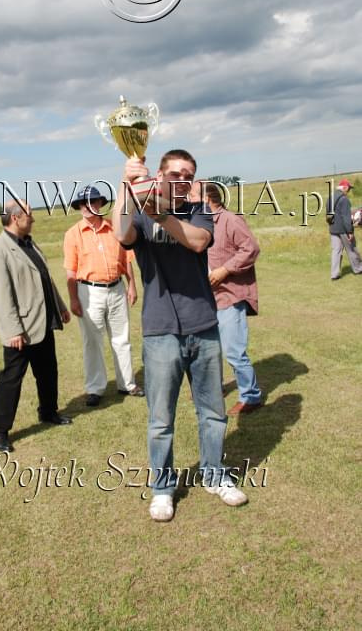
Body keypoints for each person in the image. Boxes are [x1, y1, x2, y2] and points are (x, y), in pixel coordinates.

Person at [112, 150, 247, 522]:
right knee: (160, 419)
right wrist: (127, 185)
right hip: (160, 332)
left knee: (213, 413)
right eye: (174, 172)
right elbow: (120, 232)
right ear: (159, 174)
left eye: (188, 174)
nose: (181, 179)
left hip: (203, 325)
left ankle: (215, 475)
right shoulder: (138, 211)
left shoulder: (198, 209)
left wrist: (163, 215)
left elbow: (198, 242)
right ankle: (162, 488)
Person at [0, 201, 72, 453]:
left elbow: (45, 277)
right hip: (20, 329)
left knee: (48, 371)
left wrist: (60, 306)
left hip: (43, 320)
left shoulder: (29, 242)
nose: (32, 219)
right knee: (11, 379)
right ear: (15, 218)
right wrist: (13, 330)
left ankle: (48, 412)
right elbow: (2, 295)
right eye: (29, 216)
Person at [64, 185, 144, 406]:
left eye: (92, 201)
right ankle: (95, 389)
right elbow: (70, 270)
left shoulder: (114, 229)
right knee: (92, 342)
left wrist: (132, 285)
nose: (87, 207)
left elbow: (126, 260)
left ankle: (127, 384)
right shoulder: (73, 234)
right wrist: (73, 298)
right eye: (82, 203)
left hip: (117, 288)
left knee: (122, 339)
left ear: (100, 204)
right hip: (89, 292)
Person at [201, 182, 263, 415]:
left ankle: (251, 396)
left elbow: (251, 249)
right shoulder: (200, 224)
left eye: (193, 195)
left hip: (229, 296)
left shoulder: (230, 220)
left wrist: (224, 270)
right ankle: (213, 388)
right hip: (207, 298)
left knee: (234, 351)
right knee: (209, 349)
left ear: (207, 199)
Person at [327, 179, 362, 279]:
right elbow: (346, 217)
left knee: (336, 251)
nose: (349, 191)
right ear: (345, 188)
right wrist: (350, 231)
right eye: (349, 189)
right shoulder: (344, 199)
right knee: (352, 249)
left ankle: (334, 274)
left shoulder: (330, 198)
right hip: (343, 229)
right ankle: (358, 268)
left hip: (333, 229)